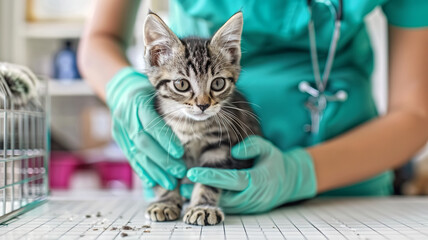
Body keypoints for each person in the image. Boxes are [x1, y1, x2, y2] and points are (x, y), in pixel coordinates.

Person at [78, 0, 428, 213]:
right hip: (188, 171)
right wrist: (123, 88)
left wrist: (298, 174)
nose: (202, 101)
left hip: (349, 183)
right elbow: (99, 40)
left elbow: (416, 114)